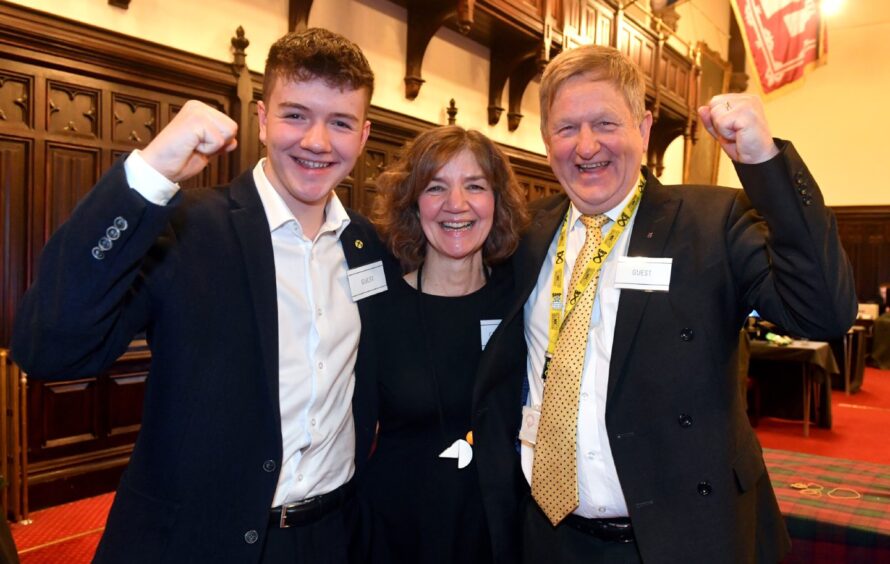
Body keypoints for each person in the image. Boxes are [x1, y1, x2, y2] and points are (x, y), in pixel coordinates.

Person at [11, 28, 397, 564]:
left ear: (364, 133)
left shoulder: (366, 246)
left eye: (340, 122)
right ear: (261, 119)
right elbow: (47, 347)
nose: (317, 142)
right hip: (193, 539)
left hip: (330, 537)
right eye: (295, 115)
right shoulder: (187, 225)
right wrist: (150, 174)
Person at [483, 44, 856, 563]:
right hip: (550, 537)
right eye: (566, 128)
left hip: (683, 538)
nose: (586, 145)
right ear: (547, 141)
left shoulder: (712, 222)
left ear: (644, 127)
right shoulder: (525, 234)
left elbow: (823, 312)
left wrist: (763, 162)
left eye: (606, 123)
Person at [355, 126, 529, 563]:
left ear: (497, 201)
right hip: (395, 533)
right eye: (436, 188)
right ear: (414, 203)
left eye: (475, 186)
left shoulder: (522, 300)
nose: (457, 205)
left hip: (495, 533)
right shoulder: (378, 306)